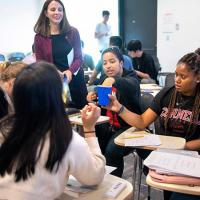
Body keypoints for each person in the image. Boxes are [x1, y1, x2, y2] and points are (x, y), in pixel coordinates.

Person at [0, 61, 105, 199]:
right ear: (58, 97)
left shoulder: (4, 128)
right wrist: (89, 129)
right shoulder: (65, 139)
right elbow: (94, 176)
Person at [105, 48, 200, 199]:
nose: (177, 80)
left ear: (197, 78)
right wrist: (120, 108)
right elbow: (142, 122)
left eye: (183, 76)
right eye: (176, 74)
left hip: (191, 159)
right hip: (167, 156)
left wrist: (182, 146)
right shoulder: (168, 93)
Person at [87, 47, 141, 177]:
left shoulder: (131, 77)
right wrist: (92, 97)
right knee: (92, 145)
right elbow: (103, 103)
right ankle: (96, 178)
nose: (108, 66)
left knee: (112, 150)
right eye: (104, 63)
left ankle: (113, 186)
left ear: (121, 63)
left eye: (112, 61)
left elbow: (130, 85)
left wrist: (113, 80)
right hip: (109, 125)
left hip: (129, 127)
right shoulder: (105, 78)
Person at [34, 0, 87, 109]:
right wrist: (54, 71)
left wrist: (69, 71)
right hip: (55, 81)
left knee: (81, 113)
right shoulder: (40, 37)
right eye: (53, 9)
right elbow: (40, 63)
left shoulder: (73, 32)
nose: (57, 12)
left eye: (60, 9)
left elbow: (79, 57)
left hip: (75, 79)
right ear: (46, 13)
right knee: (61, 115)